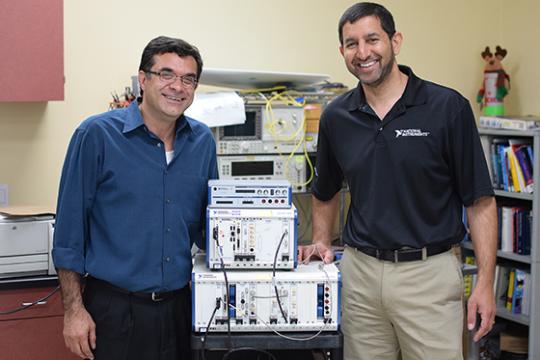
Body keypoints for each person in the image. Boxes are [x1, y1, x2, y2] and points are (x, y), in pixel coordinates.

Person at [298, 3, 497, 359]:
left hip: (429, 277)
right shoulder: (336, 116)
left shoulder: (447, 108)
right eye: (351, 43)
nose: (363, 53)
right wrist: (321, 241)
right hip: (361, 277)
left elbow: (480, 201)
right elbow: (324, 191)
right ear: (342, 51)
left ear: (395, 41)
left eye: (372, 39)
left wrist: (485, 281)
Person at [52, 36, 218, 360]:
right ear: (143, 79)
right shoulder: (96, 135)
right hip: (115, 311)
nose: (177, 86)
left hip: (179, 309)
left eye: (188, 79)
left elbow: (209, 228)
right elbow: (69, 232)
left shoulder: (202, 142)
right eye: (166, 74)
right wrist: (73, 310)